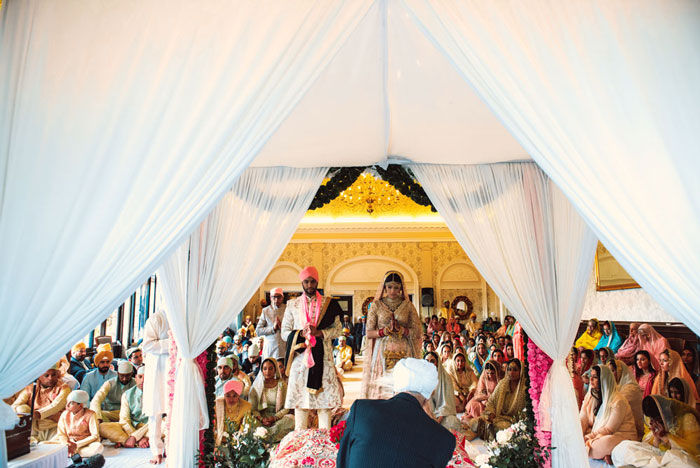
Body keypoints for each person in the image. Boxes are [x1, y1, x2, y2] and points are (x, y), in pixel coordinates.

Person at [337, 357, 456, 468]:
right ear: (429, 395)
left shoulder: (362, 409)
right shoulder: (444, 439)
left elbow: (343, 460)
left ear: (396, 387)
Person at [282, 265, 343, 430]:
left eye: (313, 281)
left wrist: (320, 333)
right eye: (306, 282)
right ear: (302, 283)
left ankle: (325, 441)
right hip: (301, 358)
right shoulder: (292, 305)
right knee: (300, 403)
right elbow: (284, 332)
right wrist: (301, 334)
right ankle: (300, 439)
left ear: (317, 282)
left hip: (323, 357)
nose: (310, 285)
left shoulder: (328, 304)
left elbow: (338, 329)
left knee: (324, 404)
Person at [360, 271, 422, 400]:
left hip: (404, 351)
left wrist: (402, 330)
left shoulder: (408, 306)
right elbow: (368, 333)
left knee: (404, 387)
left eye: (396, 287)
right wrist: (384, 332)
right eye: (389, 287)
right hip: (382, 353)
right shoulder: (376, 305)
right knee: (383, 389)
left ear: (401, 288)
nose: (392, 290)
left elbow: (417, 332)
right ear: (384, 287)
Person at [611, 395, 700, 468]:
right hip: (659, 456)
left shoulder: (687, 418)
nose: (673, 395)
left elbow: (691, 450)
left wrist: (666, 438)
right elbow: (652, 447)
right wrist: (656, 437)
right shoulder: (658, 420)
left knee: (687, 465)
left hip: (678, 457)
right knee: (625, 446)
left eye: (655, 418)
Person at [580, 365, 638, 464]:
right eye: (591, 376)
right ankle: (605, 454)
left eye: (595, 377)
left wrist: (588, 437)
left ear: (603, 379)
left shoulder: (618, 400)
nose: (591, 379)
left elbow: (609, 429)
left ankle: (598, 451)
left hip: (620, 435)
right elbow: (583, 417)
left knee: (602, 444)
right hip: (597, 434)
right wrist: (578, 433)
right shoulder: (591, 395)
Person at [12, 361, 71, 443]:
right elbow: (15, 405)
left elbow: (56, 406)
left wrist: (38, 414)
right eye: (46, 375)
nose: (50, 378)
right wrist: (25, 413)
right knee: (21, 408)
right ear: (39, 376)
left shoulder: (63, 388)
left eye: (53, 375)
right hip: (33, 429)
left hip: (54, 427)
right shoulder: (31, 389)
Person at [474, 358, 528, 441]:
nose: (511, 372)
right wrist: (491, 413)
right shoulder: (502, 384)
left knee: (502, 427)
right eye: (509, 369)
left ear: (521, 372)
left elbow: (525, 413)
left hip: (513, 421)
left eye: (515, 370)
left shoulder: (524, 389)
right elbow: (492, 402)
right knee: (476, 422)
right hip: (497, 416)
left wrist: (516, 422)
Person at [142, 310, 170, 464]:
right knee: (155, 413)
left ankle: (171, 447)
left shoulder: (182, 316)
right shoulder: (156, 318)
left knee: (174, 412)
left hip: (175, 370)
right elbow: (147, 344)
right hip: (156, 371)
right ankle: (156, 451)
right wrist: (172, 342)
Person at [90, 360, 136, 446]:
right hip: (111, 414)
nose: (124, 379)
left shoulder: (136, 383)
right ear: (118, 373)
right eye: (122, 376)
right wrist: (98, 418)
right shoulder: (109, 383)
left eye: (127, 376)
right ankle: (123, 435)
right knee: (94, 416)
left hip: (129, 416)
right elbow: (96, 400)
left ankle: (121, 438)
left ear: (132, 374)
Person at [248, 357, 294, 443]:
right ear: (261, 370)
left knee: (291, 420)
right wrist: (261, 419)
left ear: (275, 370)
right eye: (265, 369)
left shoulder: (282, 384)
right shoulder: (256, 386)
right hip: (260, 419)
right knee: (249, 422)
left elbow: (287, 407)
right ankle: (268, 436)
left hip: (278, 419)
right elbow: (253, 408)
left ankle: (264, 436)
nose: (268, 372)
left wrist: (275, 418)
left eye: (270, 368)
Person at [54, 390, 104, 457]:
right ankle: (71, 452)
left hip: (84, 444)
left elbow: (95, 435)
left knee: (98, 448)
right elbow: (61, 434)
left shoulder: (91, 414)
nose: (67, 405)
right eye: (67, 402)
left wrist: (76, 445)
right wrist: (67, 444)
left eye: (71, 403)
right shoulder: (64, 414)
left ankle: (68, 452)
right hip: (68, 443)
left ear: (80, 405)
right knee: (44, 444)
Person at [422, 352, 461, 432]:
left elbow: (446, 404)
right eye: (427, 361)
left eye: (432, 361)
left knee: (453, 422)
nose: (429, 364)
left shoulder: (446, 378)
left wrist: (436, 422)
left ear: (437, 363)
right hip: (425, 413)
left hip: (441, 415)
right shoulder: (420, 378)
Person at [607, 359, 645, 439]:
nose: (610, 374)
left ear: (620, 371)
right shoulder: (615, 386)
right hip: (616, 424)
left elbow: (618, 406)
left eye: (613, 371)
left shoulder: (631, 389)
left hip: (630, 430)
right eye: (609, 371)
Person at [119, 367, 152, 449]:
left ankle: (133, 440)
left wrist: (135, 436)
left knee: (165, 424)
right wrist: (135, 434)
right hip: (134, 427)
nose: (143, 381)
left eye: (146, 377)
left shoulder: (159, 393)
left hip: (151, 427)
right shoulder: (127, 394)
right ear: (136, 378)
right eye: (140, 377)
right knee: (103, 427)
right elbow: (124, 419)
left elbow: (160, 419)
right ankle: (145, 440)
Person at [214, 379, 252, 445]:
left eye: (234, 396)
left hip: (237, 441)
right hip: (217, 440)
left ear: (239, 395)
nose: (231, 399)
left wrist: (236, 441)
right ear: (224, 394)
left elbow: (244, 427)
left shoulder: (246, 406)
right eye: (228, 396)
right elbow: (213, 425)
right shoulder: (217, 404)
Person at [256, 288, 287, 362]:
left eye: (278, 297)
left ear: (282, 298)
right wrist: (273, 328)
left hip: (284, 347)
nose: (276, 300)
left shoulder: (287, 309)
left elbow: (293, 327)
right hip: (270, 348)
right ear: (270, 298)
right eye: (274, 297)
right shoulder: (265, 311)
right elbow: (258, 331)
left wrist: (282, 327)